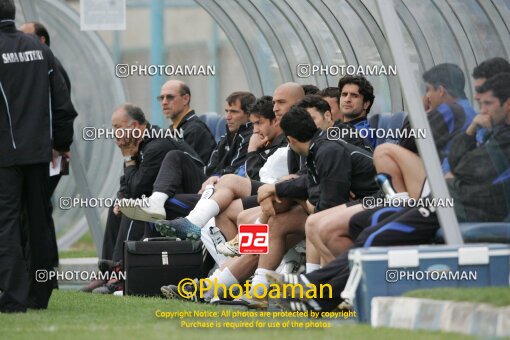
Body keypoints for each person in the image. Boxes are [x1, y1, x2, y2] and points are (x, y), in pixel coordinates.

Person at [0, 0, 78, 312]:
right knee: (39, 222)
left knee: (6, 224)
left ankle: (13, 295)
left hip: (5, 155)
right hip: (40, 153)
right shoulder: (40, 49)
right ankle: (40, 292)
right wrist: (60, 143)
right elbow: (62, 103)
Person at [20, 20, 73, 270]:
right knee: (38, 210)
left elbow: (61, 111)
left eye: (26, 36)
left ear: (41, 41)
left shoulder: (50, 68)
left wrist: (58, 146)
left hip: (50, 153)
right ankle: (44, 268)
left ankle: (44, 268)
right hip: (47, 151)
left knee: (37, 211)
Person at [159, 80, 216, 163]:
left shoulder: (195, 130)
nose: (164, 102)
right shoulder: (175, 129)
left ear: (185, 99)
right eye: (161, 98)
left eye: (170, 97)